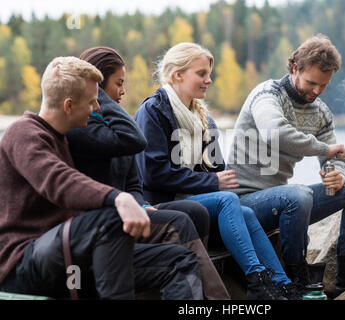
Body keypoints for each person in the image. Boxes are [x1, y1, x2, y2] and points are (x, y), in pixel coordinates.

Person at [0, 56, 203, 300]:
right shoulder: (24, 133)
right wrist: (118, 198)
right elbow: (57, 181)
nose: (98, 108)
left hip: (69, 255)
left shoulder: (65, 138)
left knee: (178, 260)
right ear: (68, 106)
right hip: (24, 262)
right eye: (92, 101)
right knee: (110, 219)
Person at [134, 42, 301, 300]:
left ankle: (279, 284)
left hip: (194, 201)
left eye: (209, 74)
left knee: (243, 211)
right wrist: (212, 181)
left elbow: (218, 170)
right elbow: (154, 174)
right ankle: (256, 279)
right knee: (226, 200)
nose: (209, 80)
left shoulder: (203, 117)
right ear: (177, 74)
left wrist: (218, 178)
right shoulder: (153, 111)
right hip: (161, 204)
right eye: (201, 74)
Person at [66, 46, 229, 300]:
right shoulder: (83, 128)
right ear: (95, 85)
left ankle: (201, 292)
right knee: (180, 221)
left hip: (130, 210)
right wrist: (96, 92)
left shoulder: (115, 127)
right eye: (118, 83)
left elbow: (133, 182)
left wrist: (140, 203)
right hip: (100, 221)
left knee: (195, 213)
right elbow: (135, 139)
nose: (123, 91)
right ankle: (217, 299)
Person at [227, 34, 345, 297]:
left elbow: (334, 157)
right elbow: (275, 132)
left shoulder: (321, 112)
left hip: (282, 201)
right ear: (295, 68)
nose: (316, 91)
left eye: (324, 86)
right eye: (311, 83)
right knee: (298, 195)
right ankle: (297, 281)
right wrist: (324, 149)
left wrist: (337, 174)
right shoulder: (267, 95)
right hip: (243, 204)